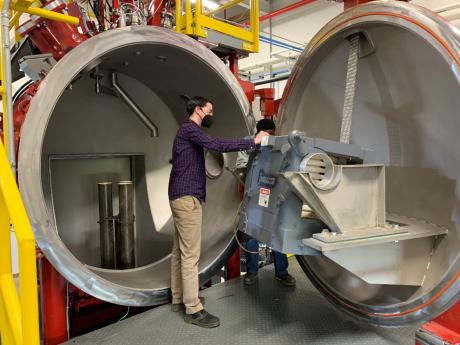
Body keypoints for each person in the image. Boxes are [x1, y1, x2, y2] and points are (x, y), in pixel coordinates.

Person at [168, 96, 269, 328]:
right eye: (209, 110)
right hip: (187, 199)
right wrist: (253, 141)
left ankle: (178, 298)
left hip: (179, 196)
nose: (212, 115)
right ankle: (193, 309)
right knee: (190, 255)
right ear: (198, 110)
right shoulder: (190, 130)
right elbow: (217, 145)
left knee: (179, 251)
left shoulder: (186, 133)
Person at [237, 118, 297, 287]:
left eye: (273, 134)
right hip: (254, 194)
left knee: (276, 230)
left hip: (274, 192)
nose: (272, 136)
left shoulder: (280, 145)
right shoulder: (248, 143)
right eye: (269, 134)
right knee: (251, 231)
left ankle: (282, 272)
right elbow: (241, 168)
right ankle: (252, 271)